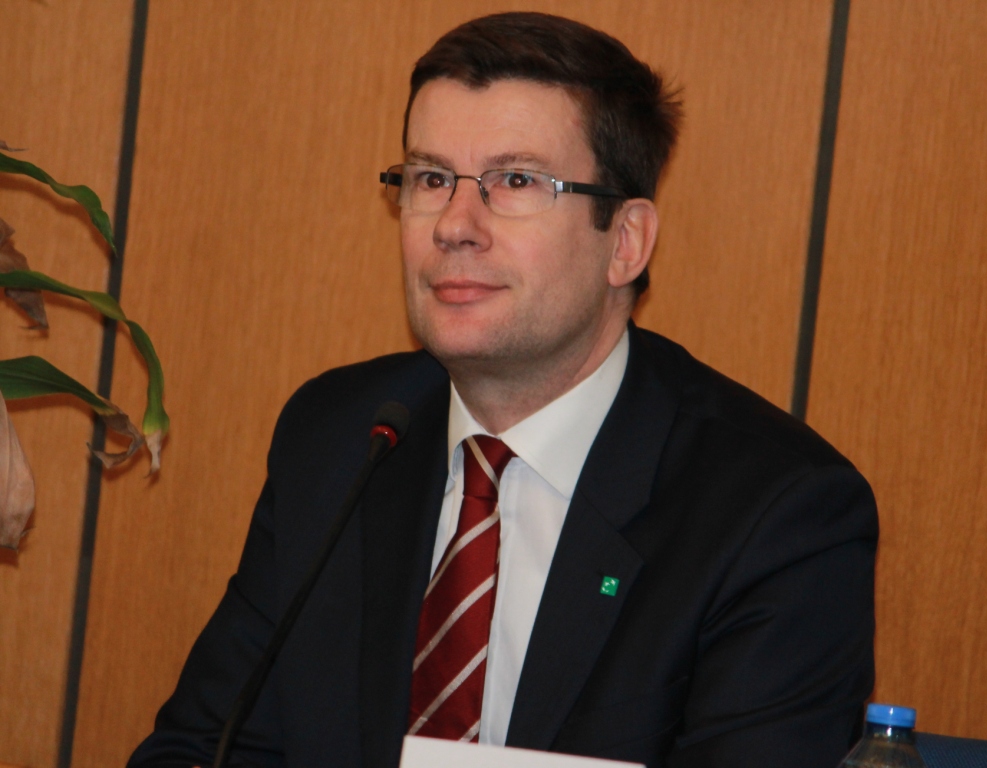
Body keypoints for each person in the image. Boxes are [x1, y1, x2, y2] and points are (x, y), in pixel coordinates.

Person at [129, 12, 877, 768]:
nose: (455, 225)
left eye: (515, 181)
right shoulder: (339, 436)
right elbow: (202, 749)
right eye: (430, 179)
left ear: (624, 242)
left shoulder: (774, 514)